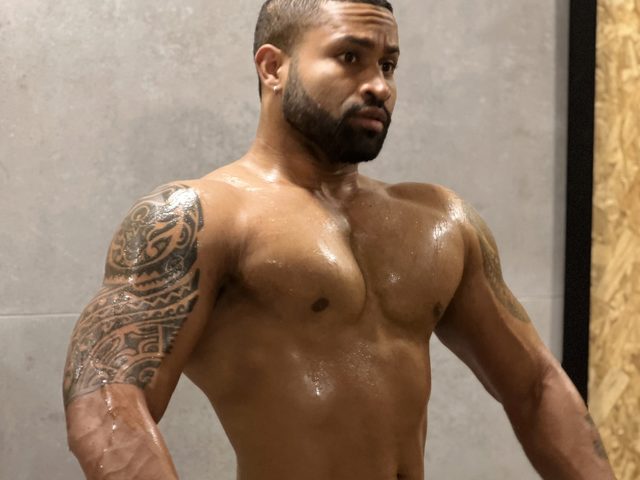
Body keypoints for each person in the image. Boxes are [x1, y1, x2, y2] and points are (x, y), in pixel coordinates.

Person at [62, 1, 616, 479]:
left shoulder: (441, 221)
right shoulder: (201, 218)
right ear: (273, 67)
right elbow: (104, 400)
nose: (379, 86)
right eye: (350, 57)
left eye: (388, 64)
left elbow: (535, 387)